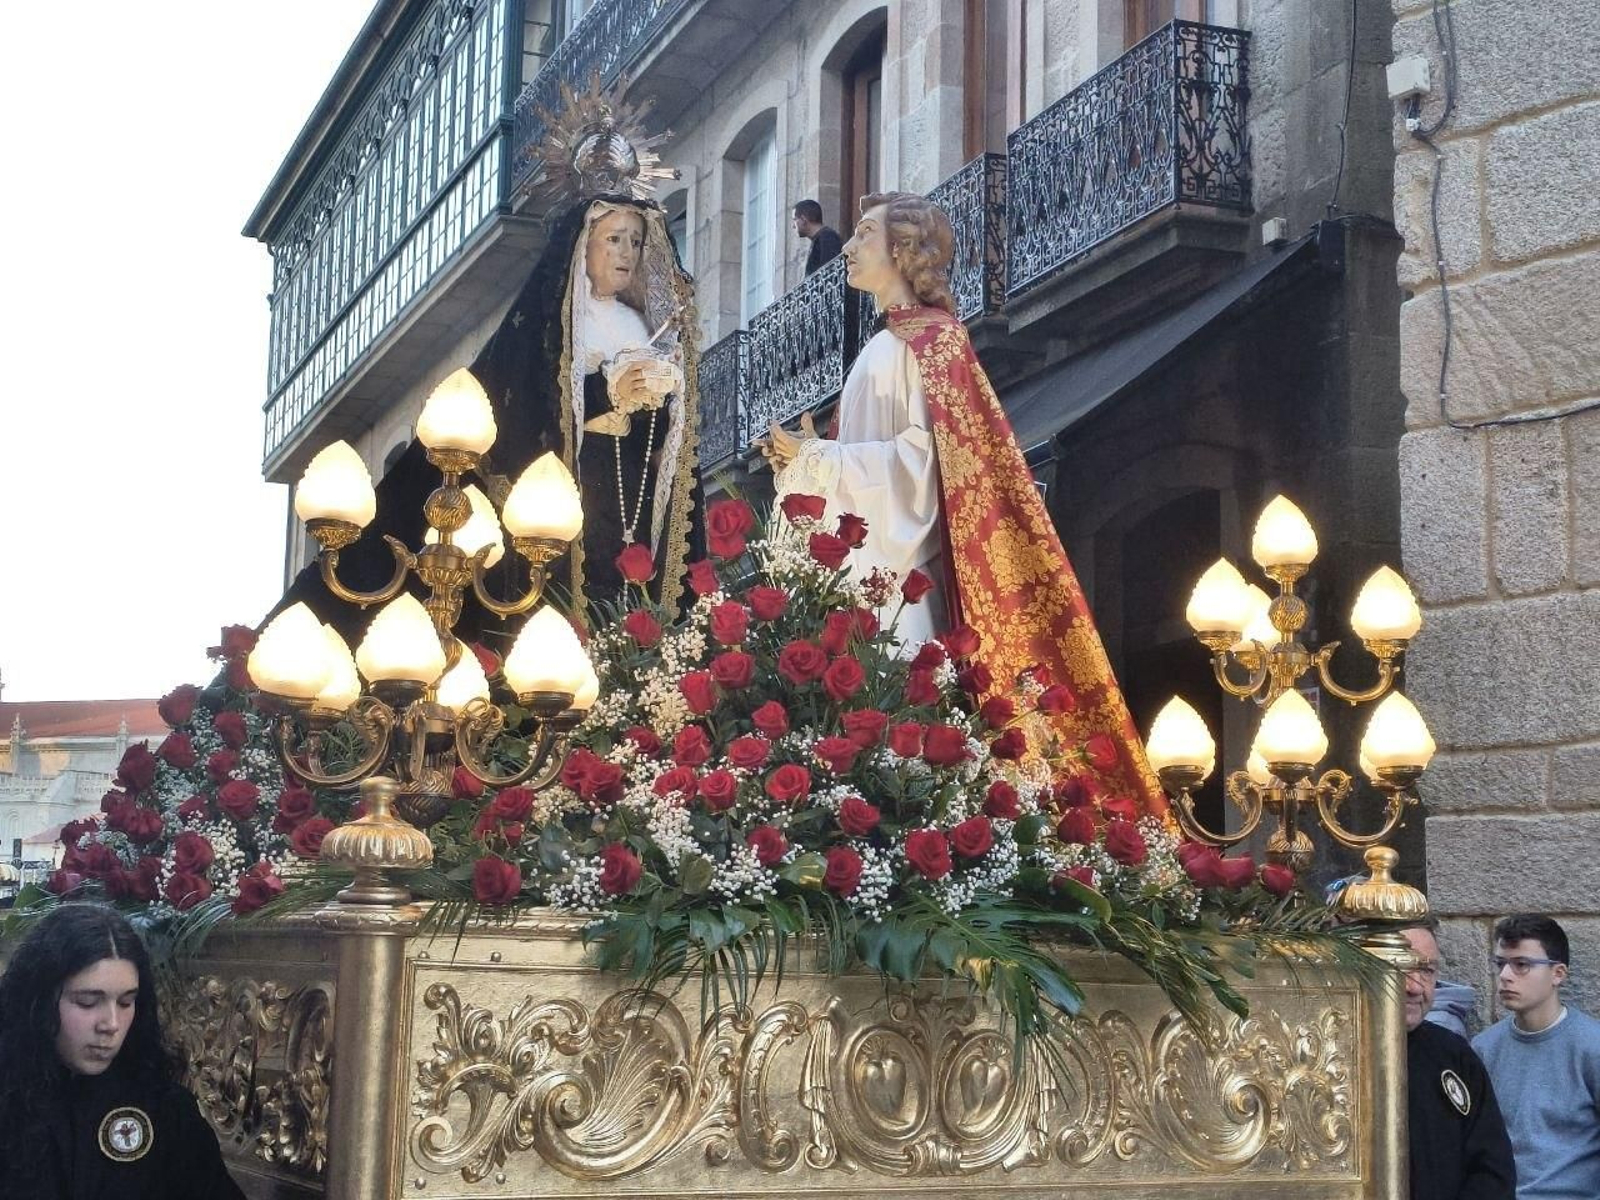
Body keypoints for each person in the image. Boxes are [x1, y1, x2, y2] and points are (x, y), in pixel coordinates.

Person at [759, 191, 1163, 814]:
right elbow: (873, 458)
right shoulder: (881, 347)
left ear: (899, 249)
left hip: (900, 584)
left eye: (863, 233)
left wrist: (823, 460)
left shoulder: (935, 341)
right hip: (867, 571)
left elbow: (925, 466)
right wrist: (811, 456)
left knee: (896, 748)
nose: (845, 246)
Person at [469, 193, 703, 611]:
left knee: (634, 599)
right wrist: (606, 391)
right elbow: (531, 402)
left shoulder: (639, 323)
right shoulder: (558, 320)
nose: (626, 252)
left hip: (632, 482)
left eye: (635, 241)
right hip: (575, 473)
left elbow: (663, 441)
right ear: (583, 245)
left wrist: (665, 395)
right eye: (614, 239)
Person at [0, 903, 245, 1199]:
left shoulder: (165, 1109)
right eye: (88, 1002)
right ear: (38, 1002)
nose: (111, 1024)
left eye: (126, 1002)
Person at [1473, 914, 1600, 1199]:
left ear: (1558, 974)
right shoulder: (1483, 1048)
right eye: (1500, 964)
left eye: (1521, 965)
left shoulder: (1592, 1048)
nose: (1505, 975)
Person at [1402, 922, 1517, 1200]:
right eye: (1401, 967)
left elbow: (1492, 1171)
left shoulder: (1455, 1055)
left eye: (1427, 971)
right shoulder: (1330, 1053)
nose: (1415, 987)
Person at [794, 199, 843, 276]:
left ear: (804, 219)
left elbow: (830, 274)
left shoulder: (828, 237)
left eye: (795, 220)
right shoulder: (821, 238)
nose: (793, 226)